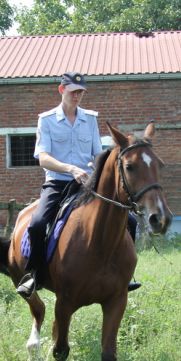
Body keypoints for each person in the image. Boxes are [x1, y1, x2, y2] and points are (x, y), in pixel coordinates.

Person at [16, 71, 140, 298]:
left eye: (81, 92)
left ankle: (124, 274)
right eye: (73, 91)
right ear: (62, 90)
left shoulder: (89, 119)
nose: (77, 96)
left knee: (129, 220)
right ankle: (34, 274)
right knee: (37, 223)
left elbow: (97, 154)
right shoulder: (47, 120)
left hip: (87, 184)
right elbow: (43, 158)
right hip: (58, 183)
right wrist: (70, 168)